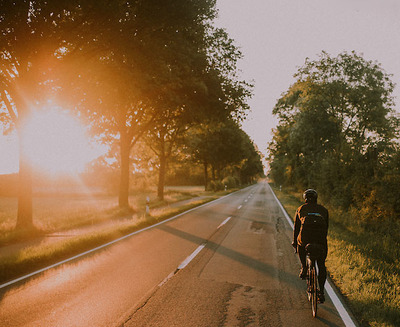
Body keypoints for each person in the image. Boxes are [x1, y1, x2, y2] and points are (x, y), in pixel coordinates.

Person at [292, 189, 329, 303]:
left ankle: (304, 267)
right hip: (320, 241)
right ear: (316, 198)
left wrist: (294, 242)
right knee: (321, 265)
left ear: (305, 199)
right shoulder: (323, 210)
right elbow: (326, 228)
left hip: (305, 241)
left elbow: (297, 229)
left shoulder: (301, 209)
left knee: (299, 244)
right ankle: (321, 291)